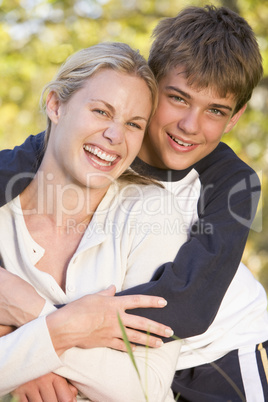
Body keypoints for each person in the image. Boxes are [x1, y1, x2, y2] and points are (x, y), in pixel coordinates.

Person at [0, 5, 267, 401]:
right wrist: (33, 349)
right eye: (177, 98)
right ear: (152, 90)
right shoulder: (93, 147)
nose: (190, 125)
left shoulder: (232, 183)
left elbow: (187, 307)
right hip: (122, 356)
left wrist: (36, 330)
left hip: (220, 351)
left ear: (234, 118)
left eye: (215, 111)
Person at [0, 42, 186, 401]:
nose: (115, 136)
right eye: (102, 111)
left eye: (133, 124)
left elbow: (143, 387)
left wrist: (30, 316)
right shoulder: (3, 219)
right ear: (56, 104)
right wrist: (36, 357)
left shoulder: (151, 213)